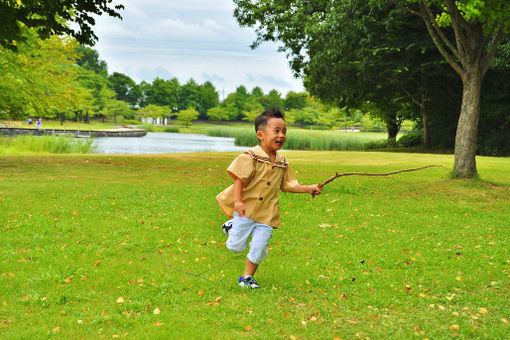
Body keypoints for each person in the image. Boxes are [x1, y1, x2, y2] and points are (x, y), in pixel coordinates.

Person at [216, 108, 322, 289]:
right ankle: (232, 226)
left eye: (284, 131)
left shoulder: (282, 162)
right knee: (235, 247)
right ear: (260, 134)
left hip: (267, 214)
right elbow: (239, 180)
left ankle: (247, 278)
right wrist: (239, 202)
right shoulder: (251, 157)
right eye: (277, 131)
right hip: (246, 211)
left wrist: (308, 188)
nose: (281, 135)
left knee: (259, 247)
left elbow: (288, 185)